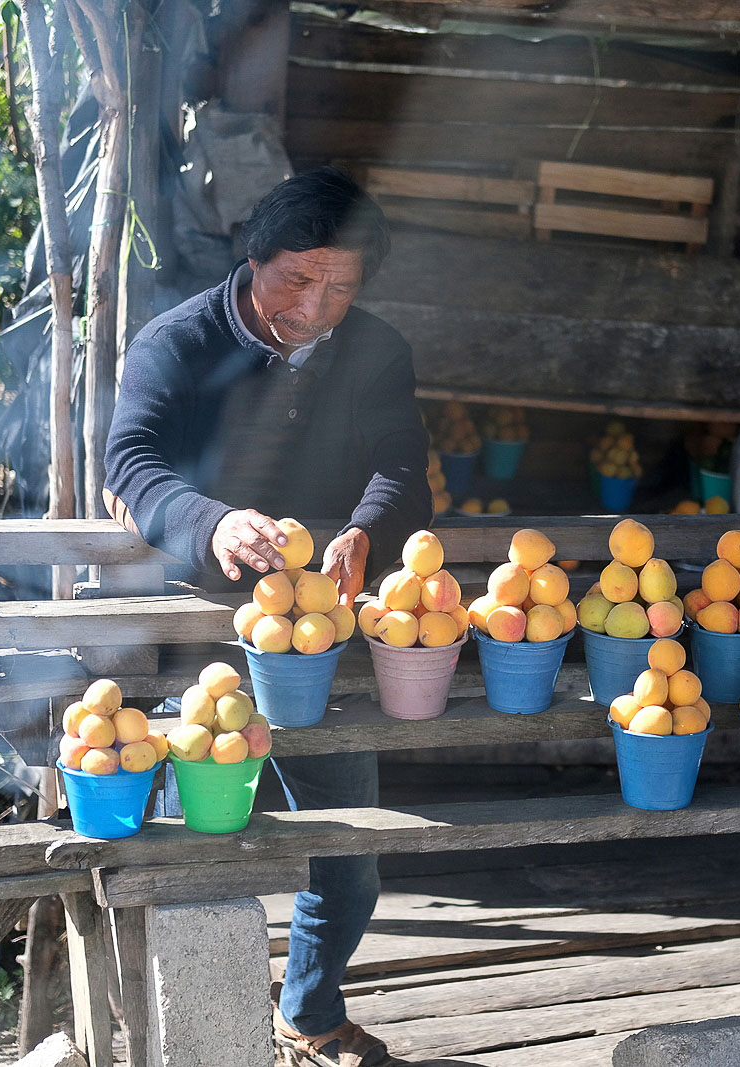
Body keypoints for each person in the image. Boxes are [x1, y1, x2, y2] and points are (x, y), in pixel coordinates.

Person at [103, 167, 431, 1067]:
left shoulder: (374, 352)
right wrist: (211, 520)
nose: (317, 307)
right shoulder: (177, 342)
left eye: (341, 288)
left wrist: (365, 535)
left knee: (349, 854)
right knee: (186, 851)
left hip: (321, 643)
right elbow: (129, 460)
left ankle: (309, 1014)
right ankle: (173, 1038)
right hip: (194, 651)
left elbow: (402, 468)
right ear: (254, 254)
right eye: (298, 278)